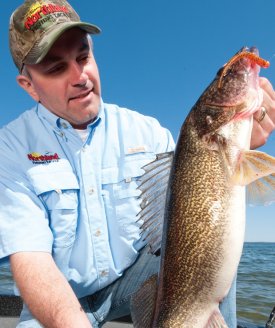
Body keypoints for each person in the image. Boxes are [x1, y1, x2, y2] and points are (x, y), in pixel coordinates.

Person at [1, 0, 275, 327]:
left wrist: (244, 145)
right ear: (28, 86)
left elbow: (198, 199)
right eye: (56, 68)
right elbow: (32, 262)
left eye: (83, 57)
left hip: (133, 280)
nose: (80, 77)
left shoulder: (146, 131)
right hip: (61, 293)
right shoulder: (11, 148)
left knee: (206, 264)